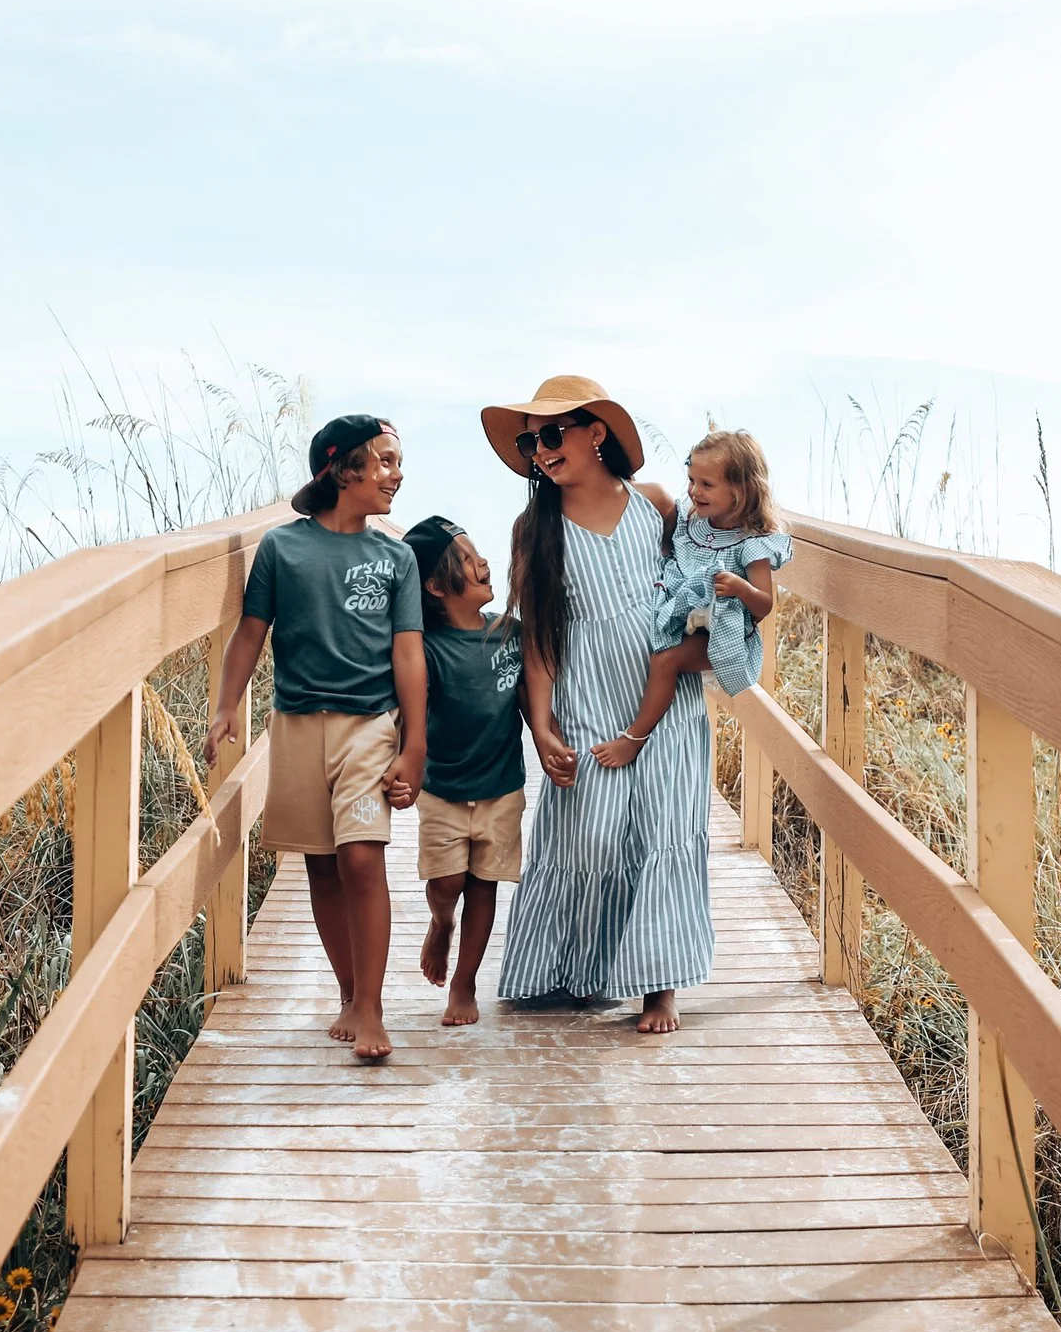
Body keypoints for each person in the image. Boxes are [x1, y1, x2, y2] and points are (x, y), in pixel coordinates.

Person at [481, 375, 713, 1033]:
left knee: (666, 828)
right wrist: (543, 724)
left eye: (552, 434)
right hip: (586, 690)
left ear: (596, 433)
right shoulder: (536, 526)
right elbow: (541, 636)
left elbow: (704, 569)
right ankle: (580, 965)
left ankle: (658, 985)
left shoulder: (657, 504)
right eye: (531, 443)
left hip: (664, 694)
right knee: (596, 834)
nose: (541, 450)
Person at [208, 415, 424, 1062]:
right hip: (298, 723)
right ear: (342, 470)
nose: (396, 473)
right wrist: (225, 704)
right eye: (384, 461)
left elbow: (409, 654)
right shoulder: (282, 548)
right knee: (322, 864)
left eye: (397, 461)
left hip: (369, 723)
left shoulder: (396, 556)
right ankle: (351, 992)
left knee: (362, 856)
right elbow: (251, 632)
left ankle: (375, 1006)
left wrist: (414, 744)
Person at [592, 429, 790, 767]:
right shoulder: (692, 520)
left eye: (706, 485)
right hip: (685, 608)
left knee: (665, 661)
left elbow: (764, 605)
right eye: (691, 480)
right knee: (636, 634)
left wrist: (740, 588)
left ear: (741, 491)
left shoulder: (752, 543)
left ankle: (634, 738)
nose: (694, 491)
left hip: (720, 631)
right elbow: (668, 538)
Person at [399, 516, 525, 1028]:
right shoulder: (424, 647)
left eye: (480, 554)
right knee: (449, 881)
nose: (483, 563)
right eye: (467, 559)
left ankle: (465, 982)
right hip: (443, 787)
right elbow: (405, 710)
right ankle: (441, 920)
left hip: (501, 784)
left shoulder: (511, 633)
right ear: (434, 585)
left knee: (486, 884)